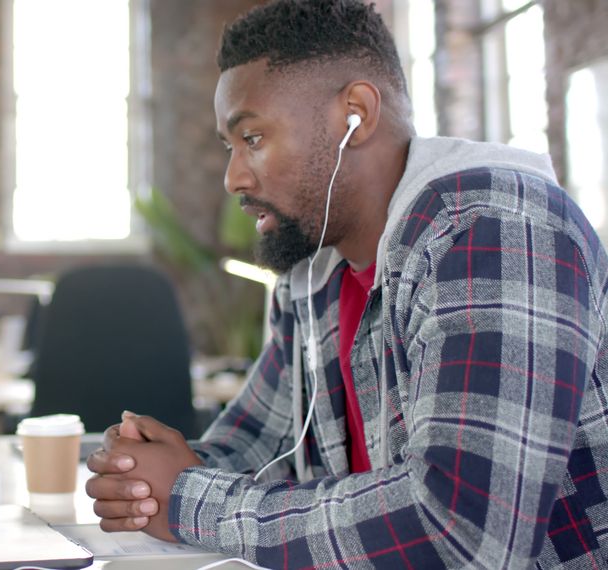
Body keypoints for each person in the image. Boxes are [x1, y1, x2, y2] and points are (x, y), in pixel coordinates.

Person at [85, 1, 608, 568]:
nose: (234, 176)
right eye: (229, 147)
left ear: (354, 114)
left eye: (253, 138)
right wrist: (147, 477)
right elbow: (262, 444)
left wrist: (190, 499)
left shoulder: (494, 230)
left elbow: (463, 531)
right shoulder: (315, 273)